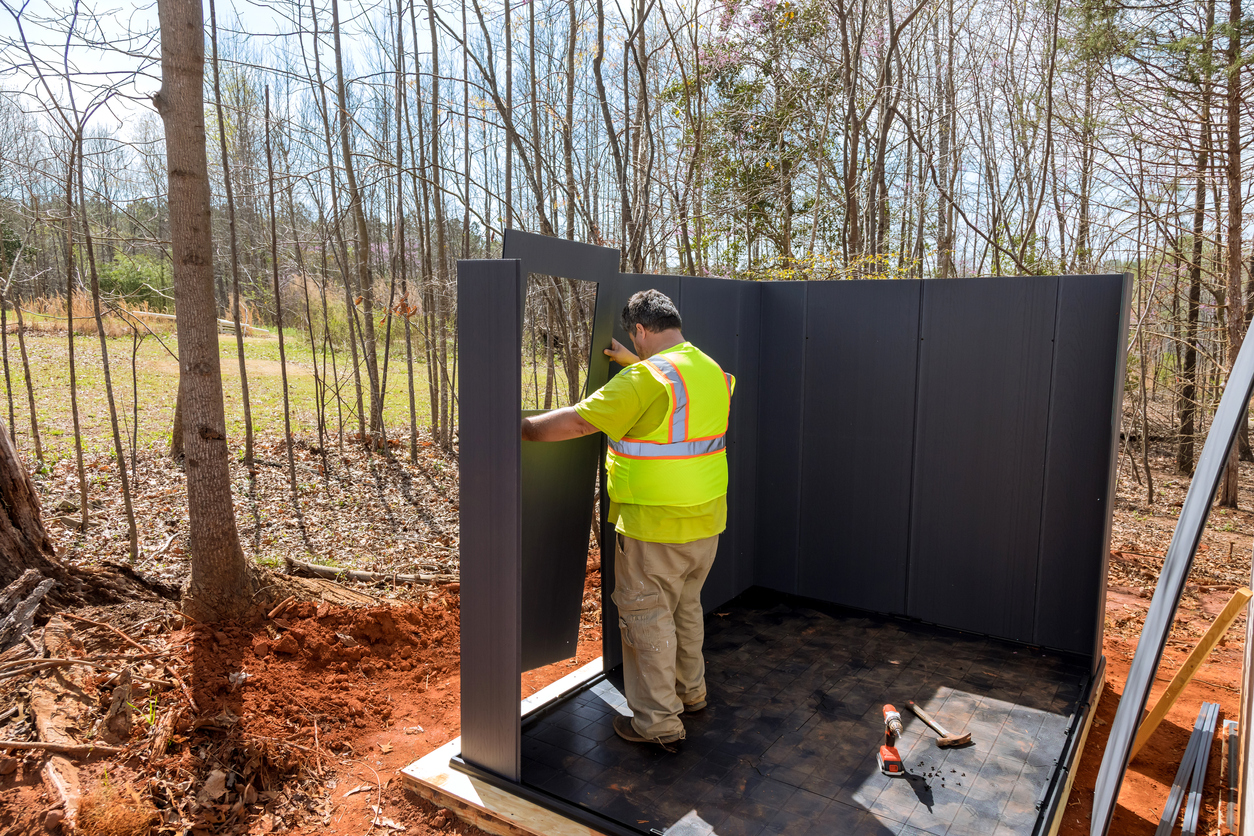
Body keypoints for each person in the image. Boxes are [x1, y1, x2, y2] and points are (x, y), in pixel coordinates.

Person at [521, 289, 734, 748]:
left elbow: (580, 422)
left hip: (654, 525)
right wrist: (631, 363)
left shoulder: (645, 380)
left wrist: (521, 427)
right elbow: (671, 398)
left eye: (633, 340)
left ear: (639, 329)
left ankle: (658, 724)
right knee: (685, 609)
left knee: (647, 619)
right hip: (706, 522)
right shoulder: (710, 370)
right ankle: (690, 693)